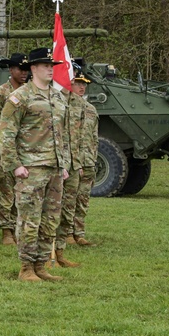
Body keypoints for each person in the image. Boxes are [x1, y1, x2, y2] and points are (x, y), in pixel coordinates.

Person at [0, 47, 71, 282]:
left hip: (54, 168)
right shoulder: (20, 97)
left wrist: (65, 163)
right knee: (29, 220)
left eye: (52, 66)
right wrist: (15, 165)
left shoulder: (57, 96)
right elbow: (6, 133)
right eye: (45, 66)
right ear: (33, 68)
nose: (50, 69)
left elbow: (64, 133)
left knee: (50, 221)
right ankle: (26, 268)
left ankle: (41, 265)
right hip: (31, 168)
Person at [0, 53, 30, 245]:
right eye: (20, 69)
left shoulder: (31, 92)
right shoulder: (1, 93)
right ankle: (6, 230)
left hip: (27, 151)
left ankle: (21, 228)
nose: (24, 73)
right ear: (11, 70)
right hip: (6, 150)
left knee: (25, 193)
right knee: (7, 192)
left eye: (26, 70)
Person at [53, 64, 92, 268]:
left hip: (74, 162)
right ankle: (45, 253)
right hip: (54, 161)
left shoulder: (80, 105)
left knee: (68, 208)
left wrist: (80, 162)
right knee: (51, 209)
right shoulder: (52, 100)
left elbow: (80, 137)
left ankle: (60, 251)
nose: (75, 79)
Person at [68, 65, 100, 246]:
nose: (82, 87)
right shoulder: (65, 107)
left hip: (88, 161)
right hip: (73, 162)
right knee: (69, 198)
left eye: (84, 84)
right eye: (78, 83)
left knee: (83, 198)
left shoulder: (90, 109)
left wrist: (92, 160)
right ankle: (66, 234)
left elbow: (93, 137)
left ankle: (78, 232)